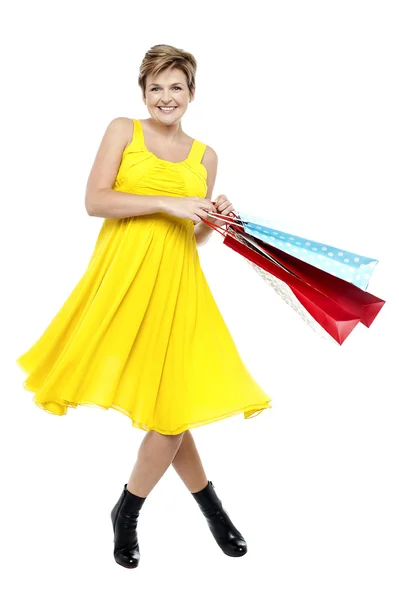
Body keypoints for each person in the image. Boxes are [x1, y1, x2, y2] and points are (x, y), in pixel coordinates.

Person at [16, 44, 272, 569]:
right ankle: (210, 509)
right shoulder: (122, 130)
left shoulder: (207, 156)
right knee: (170, 412)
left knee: (171, 412)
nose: (165, 97)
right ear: (143, 93)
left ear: (192, 93)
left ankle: (131, 510)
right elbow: (95, 201)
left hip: (179, 288)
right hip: (122, 284)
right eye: (155, 87)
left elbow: (194, 235)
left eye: (175, 87)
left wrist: (216, 217)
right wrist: (167, 201)